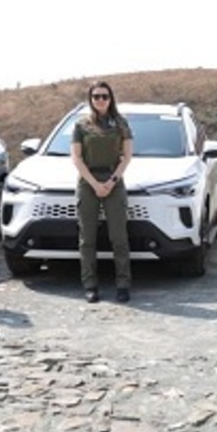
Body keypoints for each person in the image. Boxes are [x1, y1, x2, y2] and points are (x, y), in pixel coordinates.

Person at [72, 81, 134, 303]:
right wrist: (95, 184)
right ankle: (90, 285)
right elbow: (77, 158)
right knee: (87, 238)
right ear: (90, 99)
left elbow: (127, 156)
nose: (100, 100)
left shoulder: (121, 124)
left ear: (111, 99)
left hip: (113, 181)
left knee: (118, 236)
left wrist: (111, 181)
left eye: (104, 96)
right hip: (88, 182)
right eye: (96, 96)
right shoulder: (81, 125)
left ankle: (123, 284)